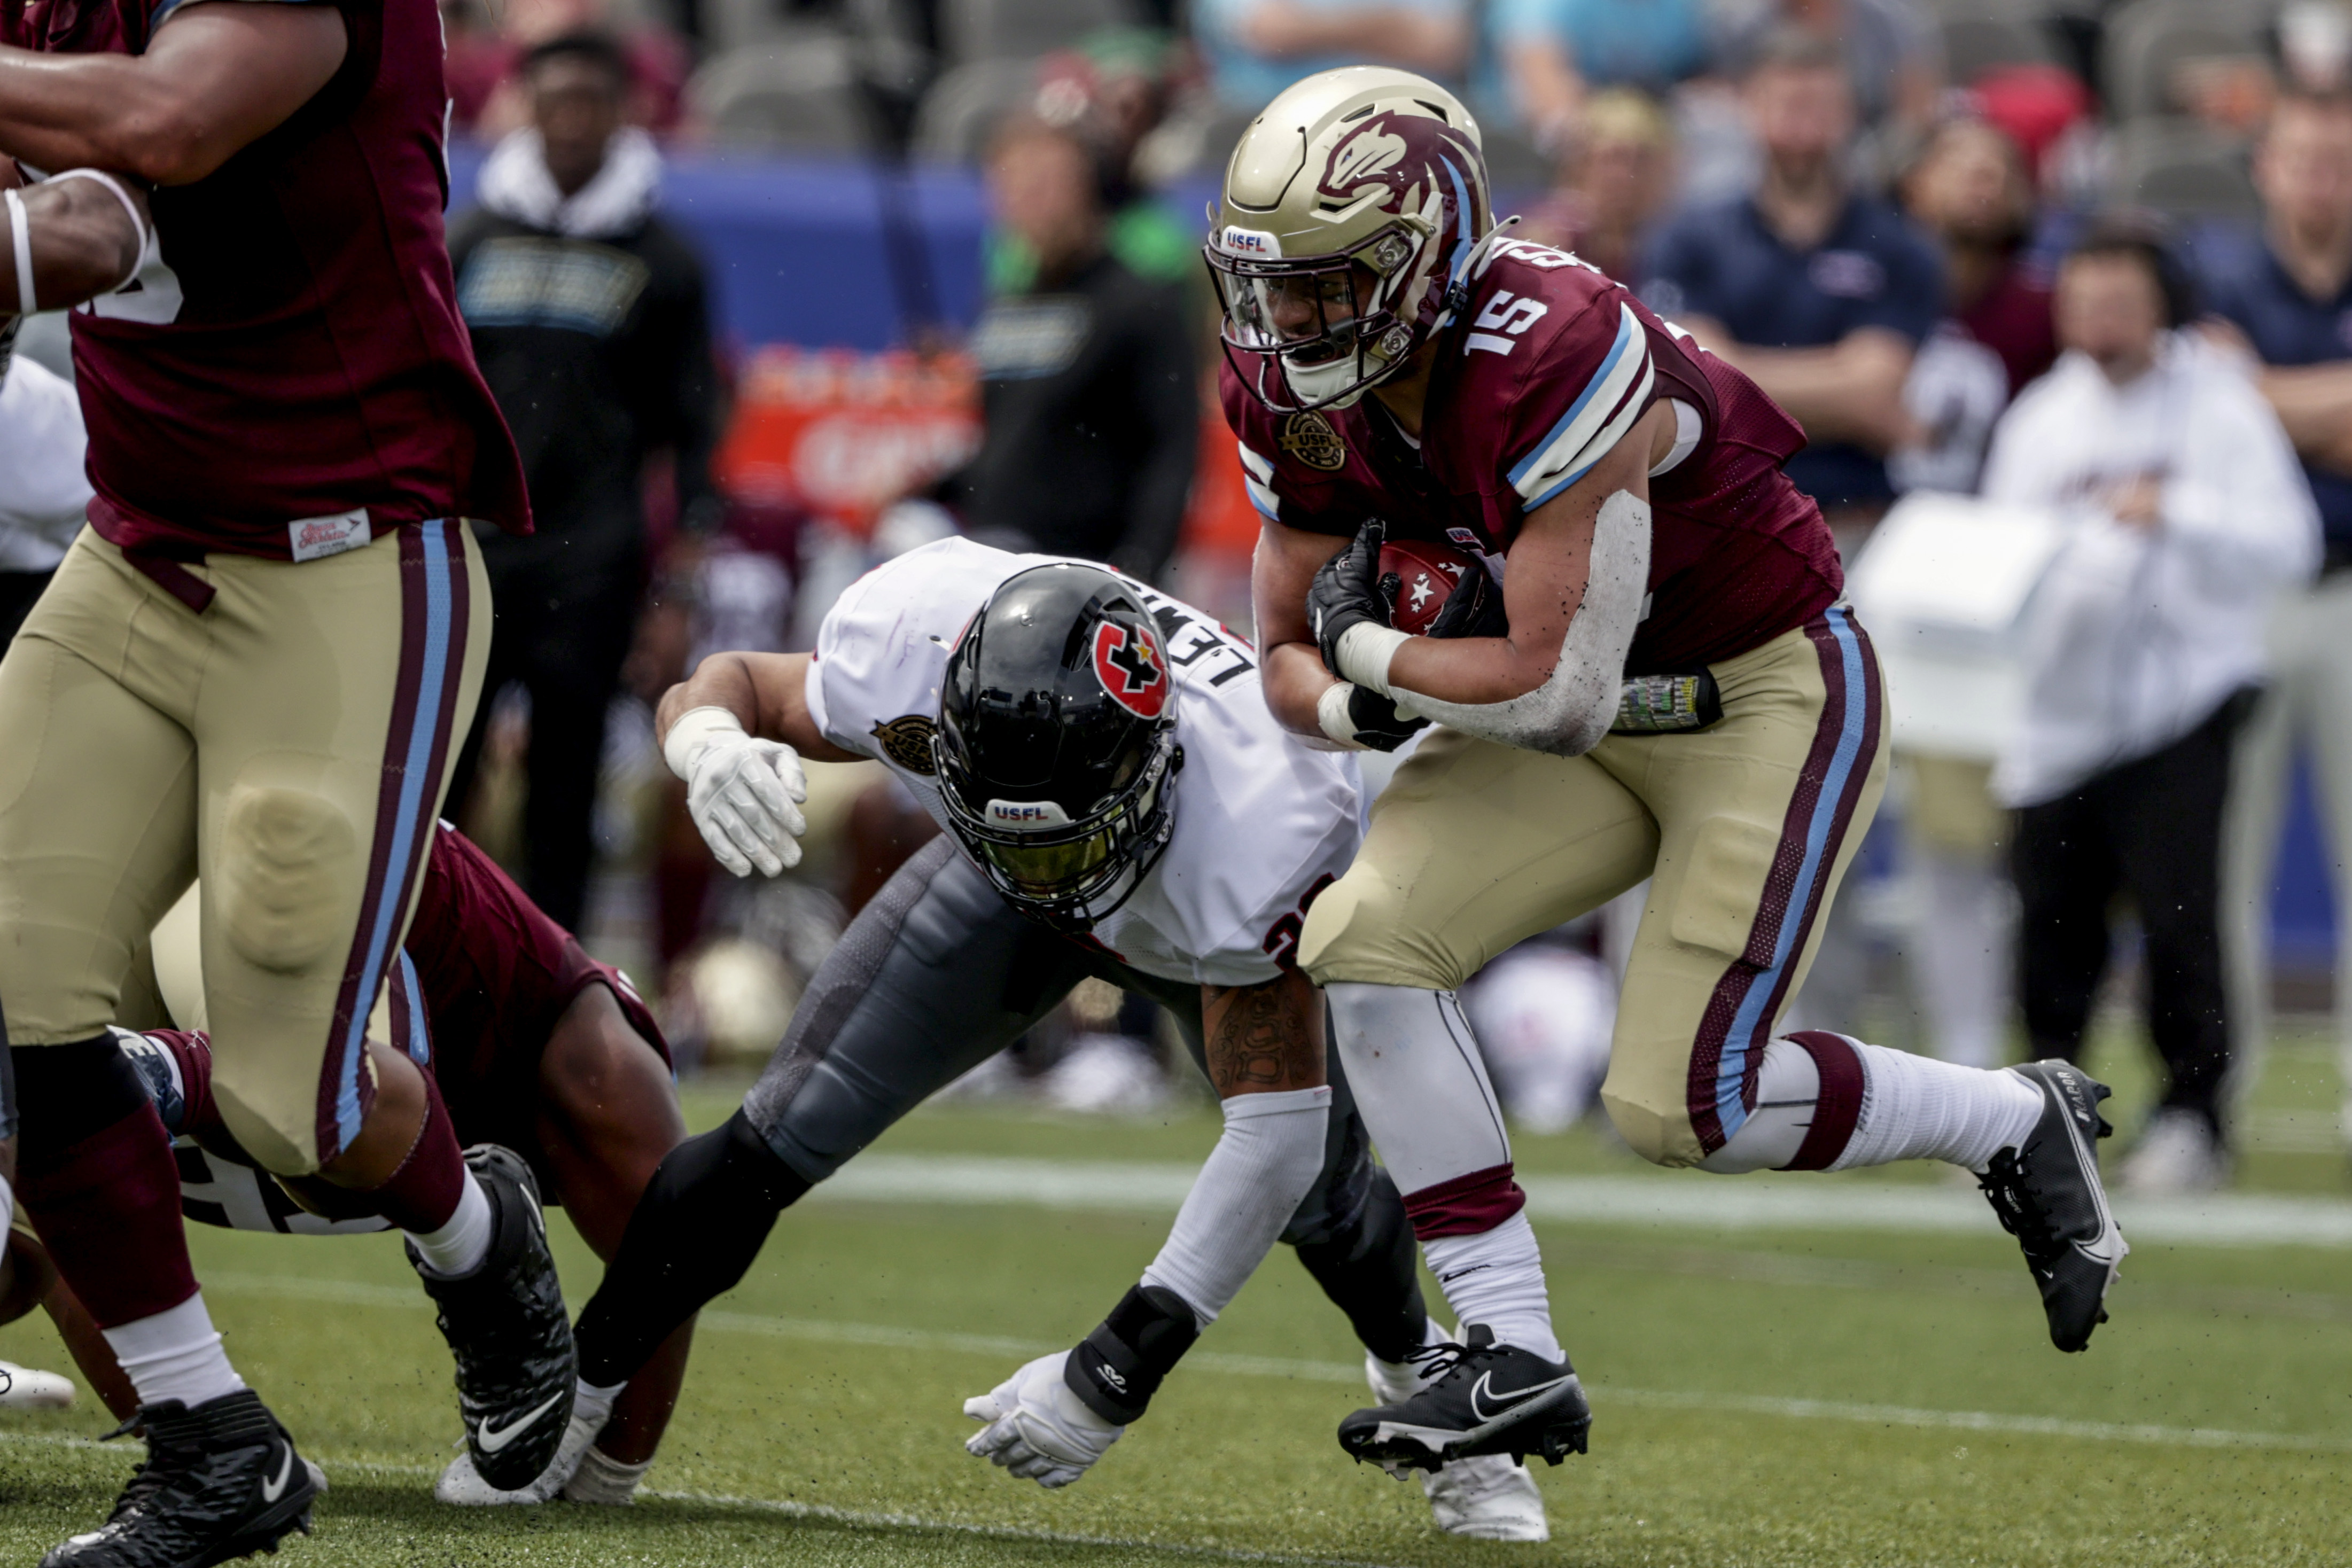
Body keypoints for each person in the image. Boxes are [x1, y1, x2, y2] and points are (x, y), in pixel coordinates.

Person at [1209, 65, 2127, 1473]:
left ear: (1435, 252)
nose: (1299, 320)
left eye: (1338, 284)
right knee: (1364, 939)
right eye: (1281, 285)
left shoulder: (1550, 341)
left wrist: (1376, 667)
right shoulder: (1288, 387)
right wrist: (1358, 698)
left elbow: (1555, 688)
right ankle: (1512, 1350)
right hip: (1554, 699)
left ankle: (2013, 1117)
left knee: (1679, 1105)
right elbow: (1280, 654)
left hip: (1760, 684)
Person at [498, 540, 1556, 1540]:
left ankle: (1417, 1364)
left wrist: (1112, 1371)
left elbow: (1271, 1137)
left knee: (1327, 1198)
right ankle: (571, 1408)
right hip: (990, 880)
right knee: (778, 1131)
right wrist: (705, 740)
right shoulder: (907, 640)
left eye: (1067, 836)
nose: (1052, 868)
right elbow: (740, 680)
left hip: (1173, 905)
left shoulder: (1264, 822)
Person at [0, 0, 570, 1557]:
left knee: (286, 1096)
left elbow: (166, 129)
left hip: (348, 562)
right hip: (134, 554)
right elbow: (94, 217)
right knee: (11, 989)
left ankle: (477, 1236)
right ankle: (212, 1442)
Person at [4, 822, 693, 1503]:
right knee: (319, 1133)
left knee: (320, 1139)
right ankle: (167, 1074)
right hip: (241, 851)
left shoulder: (588, 1076)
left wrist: (606, 1460)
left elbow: (672, 1245)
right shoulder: (550, 1044)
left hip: (234, 867)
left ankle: (166, 1074)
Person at [1982, 222, 2321, 1195]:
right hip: (2053, 720)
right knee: (2050, 927)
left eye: (2118, 299)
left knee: (2181, 921)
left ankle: (2191, 1118)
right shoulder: (2039, 419)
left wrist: (2174, 511)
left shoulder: (2219, 412)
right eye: (2080, 297)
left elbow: (2287, 542)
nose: (2096, 316)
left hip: (2181, 707)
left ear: (2161, 303)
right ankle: (2043, 1122)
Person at [445, 28, 722, 935]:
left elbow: (692, 436)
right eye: (553, 100)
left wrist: (676, 585)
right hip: (472, 555)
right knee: (442, 790)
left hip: (590, 565)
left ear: (623, 114)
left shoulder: (666, 261)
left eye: (589, 102)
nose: (570, 121)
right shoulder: (468, 238)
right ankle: (425, 980)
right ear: (524, 106)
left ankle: (550, 997)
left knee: (563, 800)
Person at [2196, 90, 2352, 1151]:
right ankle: (2211, 1099)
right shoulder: (2213, 272)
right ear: (2264, 168)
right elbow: (2216, 413)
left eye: (2337, 159)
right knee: (2222, 860)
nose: (2319, 177)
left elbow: (2250, 404)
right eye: (2301, 157)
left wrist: (2268, 400)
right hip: (2240, 601)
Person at [1885, 114, 2056, 1068]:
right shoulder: (1870, 283)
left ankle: (1967, 1057)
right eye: (1960, 164)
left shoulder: (2043, 310)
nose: (1980, 185)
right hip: (1859, 566)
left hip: (1980, 599)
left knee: (1961, 843)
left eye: (1999, 169)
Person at [1639, 28, 1944, 534]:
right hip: (1719, 518)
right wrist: (1845, 397)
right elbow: (1701, 384)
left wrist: (1738, 377)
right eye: (1786, 103)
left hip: (1855, 516)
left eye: (1820, 104)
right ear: (1747, 108)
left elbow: (1873, 387)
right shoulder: (1685, 238)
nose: (1802, 123)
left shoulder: (1901, 246)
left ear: (1851, 113)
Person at [947, 120, 1198, 585]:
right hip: (996, 563)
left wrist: (1140, 568)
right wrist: (925, 489)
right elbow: (1007, 441)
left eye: (1047, 183)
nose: (1031, 201)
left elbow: (1173, 449)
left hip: (1090, 569)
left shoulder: (1140, 303)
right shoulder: (1002, 305)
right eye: (1014, 186)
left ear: (1088, 188)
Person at [1512, 88, 1678, 286]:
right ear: (1580, 165)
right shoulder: (1548, 240)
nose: (1624, 175)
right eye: (1612, 159)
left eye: (1641, 161)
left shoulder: (1674, 242)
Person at [1497, 0, 1708, 157]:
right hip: (1527, 149)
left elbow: (1702, 77)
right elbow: (1544, 85)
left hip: (1653, 138)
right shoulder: (1545, 6)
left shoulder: (1677, 9)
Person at [1190, 0, 1468, 112]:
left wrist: (1314, 27)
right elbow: (1273, 34)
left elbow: (1439, 47)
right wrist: (1389, 26)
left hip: (1408, 127)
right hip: (1263, 129)